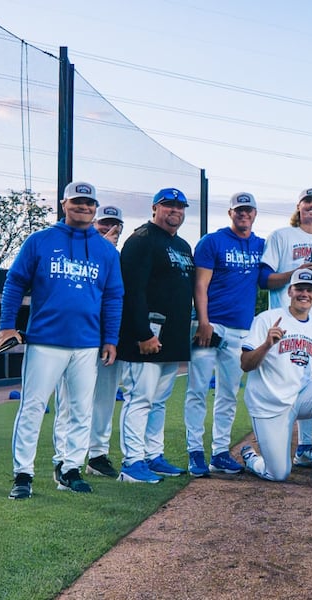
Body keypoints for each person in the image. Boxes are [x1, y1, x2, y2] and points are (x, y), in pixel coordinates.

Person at [0, 181, 123, 499]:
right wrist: (6, 326)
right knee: (33, 407)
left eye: (89, 203)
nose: (84, 207)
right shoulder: (41, 240)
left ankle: (69, 469)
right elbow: (14, 282)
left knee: (81, 410)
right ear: (64, 204)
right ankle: (23, 474)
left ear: (95, 209)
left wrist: (110, 338)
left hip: (86, 343)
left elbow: (113, 296)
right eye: (78, 202)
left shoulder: (106, 251)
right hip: (45, 340)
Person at [239, 268, 312, 489]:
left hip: (299, 398)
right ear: (290, 291)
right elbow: (246, 364)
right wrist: (267, 344)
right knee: (278, 473)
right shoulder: (268, 319)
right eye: (299, 288)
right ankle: (253, 459)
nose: (304, 294)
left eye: (309, 290)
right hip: (269, 404)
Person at [115, 188, 196, 483]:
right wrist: (143, 333)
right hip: (147, 336)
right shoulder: (141, 240)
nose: (175, 210)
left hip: (172, 337)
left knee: (159, 400)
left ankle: (153, 455)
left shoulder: (184, 245)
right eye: (168, 205)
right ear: (155, 208)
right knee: (140, 398)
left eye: (179, 206)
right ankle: (131, 462)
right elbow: (132, 291)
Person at [183, 192, 263, 477]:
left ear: (255, 214)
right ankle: (195, 452)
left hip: (241, 328)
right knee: (197, 390)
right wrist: (204, 321)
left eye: (248, 210)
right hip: (211, 326)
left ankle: (219, 452)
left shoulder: (260, 245)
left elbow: (267, 278)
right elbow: (200, 285)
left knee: (228, 394)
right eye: (239, 210)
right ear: (230, 213)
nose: (244, 214)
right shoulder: (212, 241)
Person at [51, 203, 128, 479]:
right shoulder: (73, 247)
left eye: (116, 225)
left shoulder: (117, 256)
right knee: (69, 402)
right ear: (94, 223)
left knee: (104, 400)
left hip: (107, 338)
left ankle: (97, 455)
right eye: (105, 223)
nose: (111, 229)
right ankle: (63, 458)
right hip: (75, 337)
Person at [259, 187, 312, 468]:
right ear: (299, 207)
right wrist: (297, 271)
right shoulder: (282, 236)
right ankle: (272, 439)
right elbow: (265, 279)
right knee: (282, 382)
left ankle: (304, 447)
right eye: (307, 202)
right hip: (284, 322)